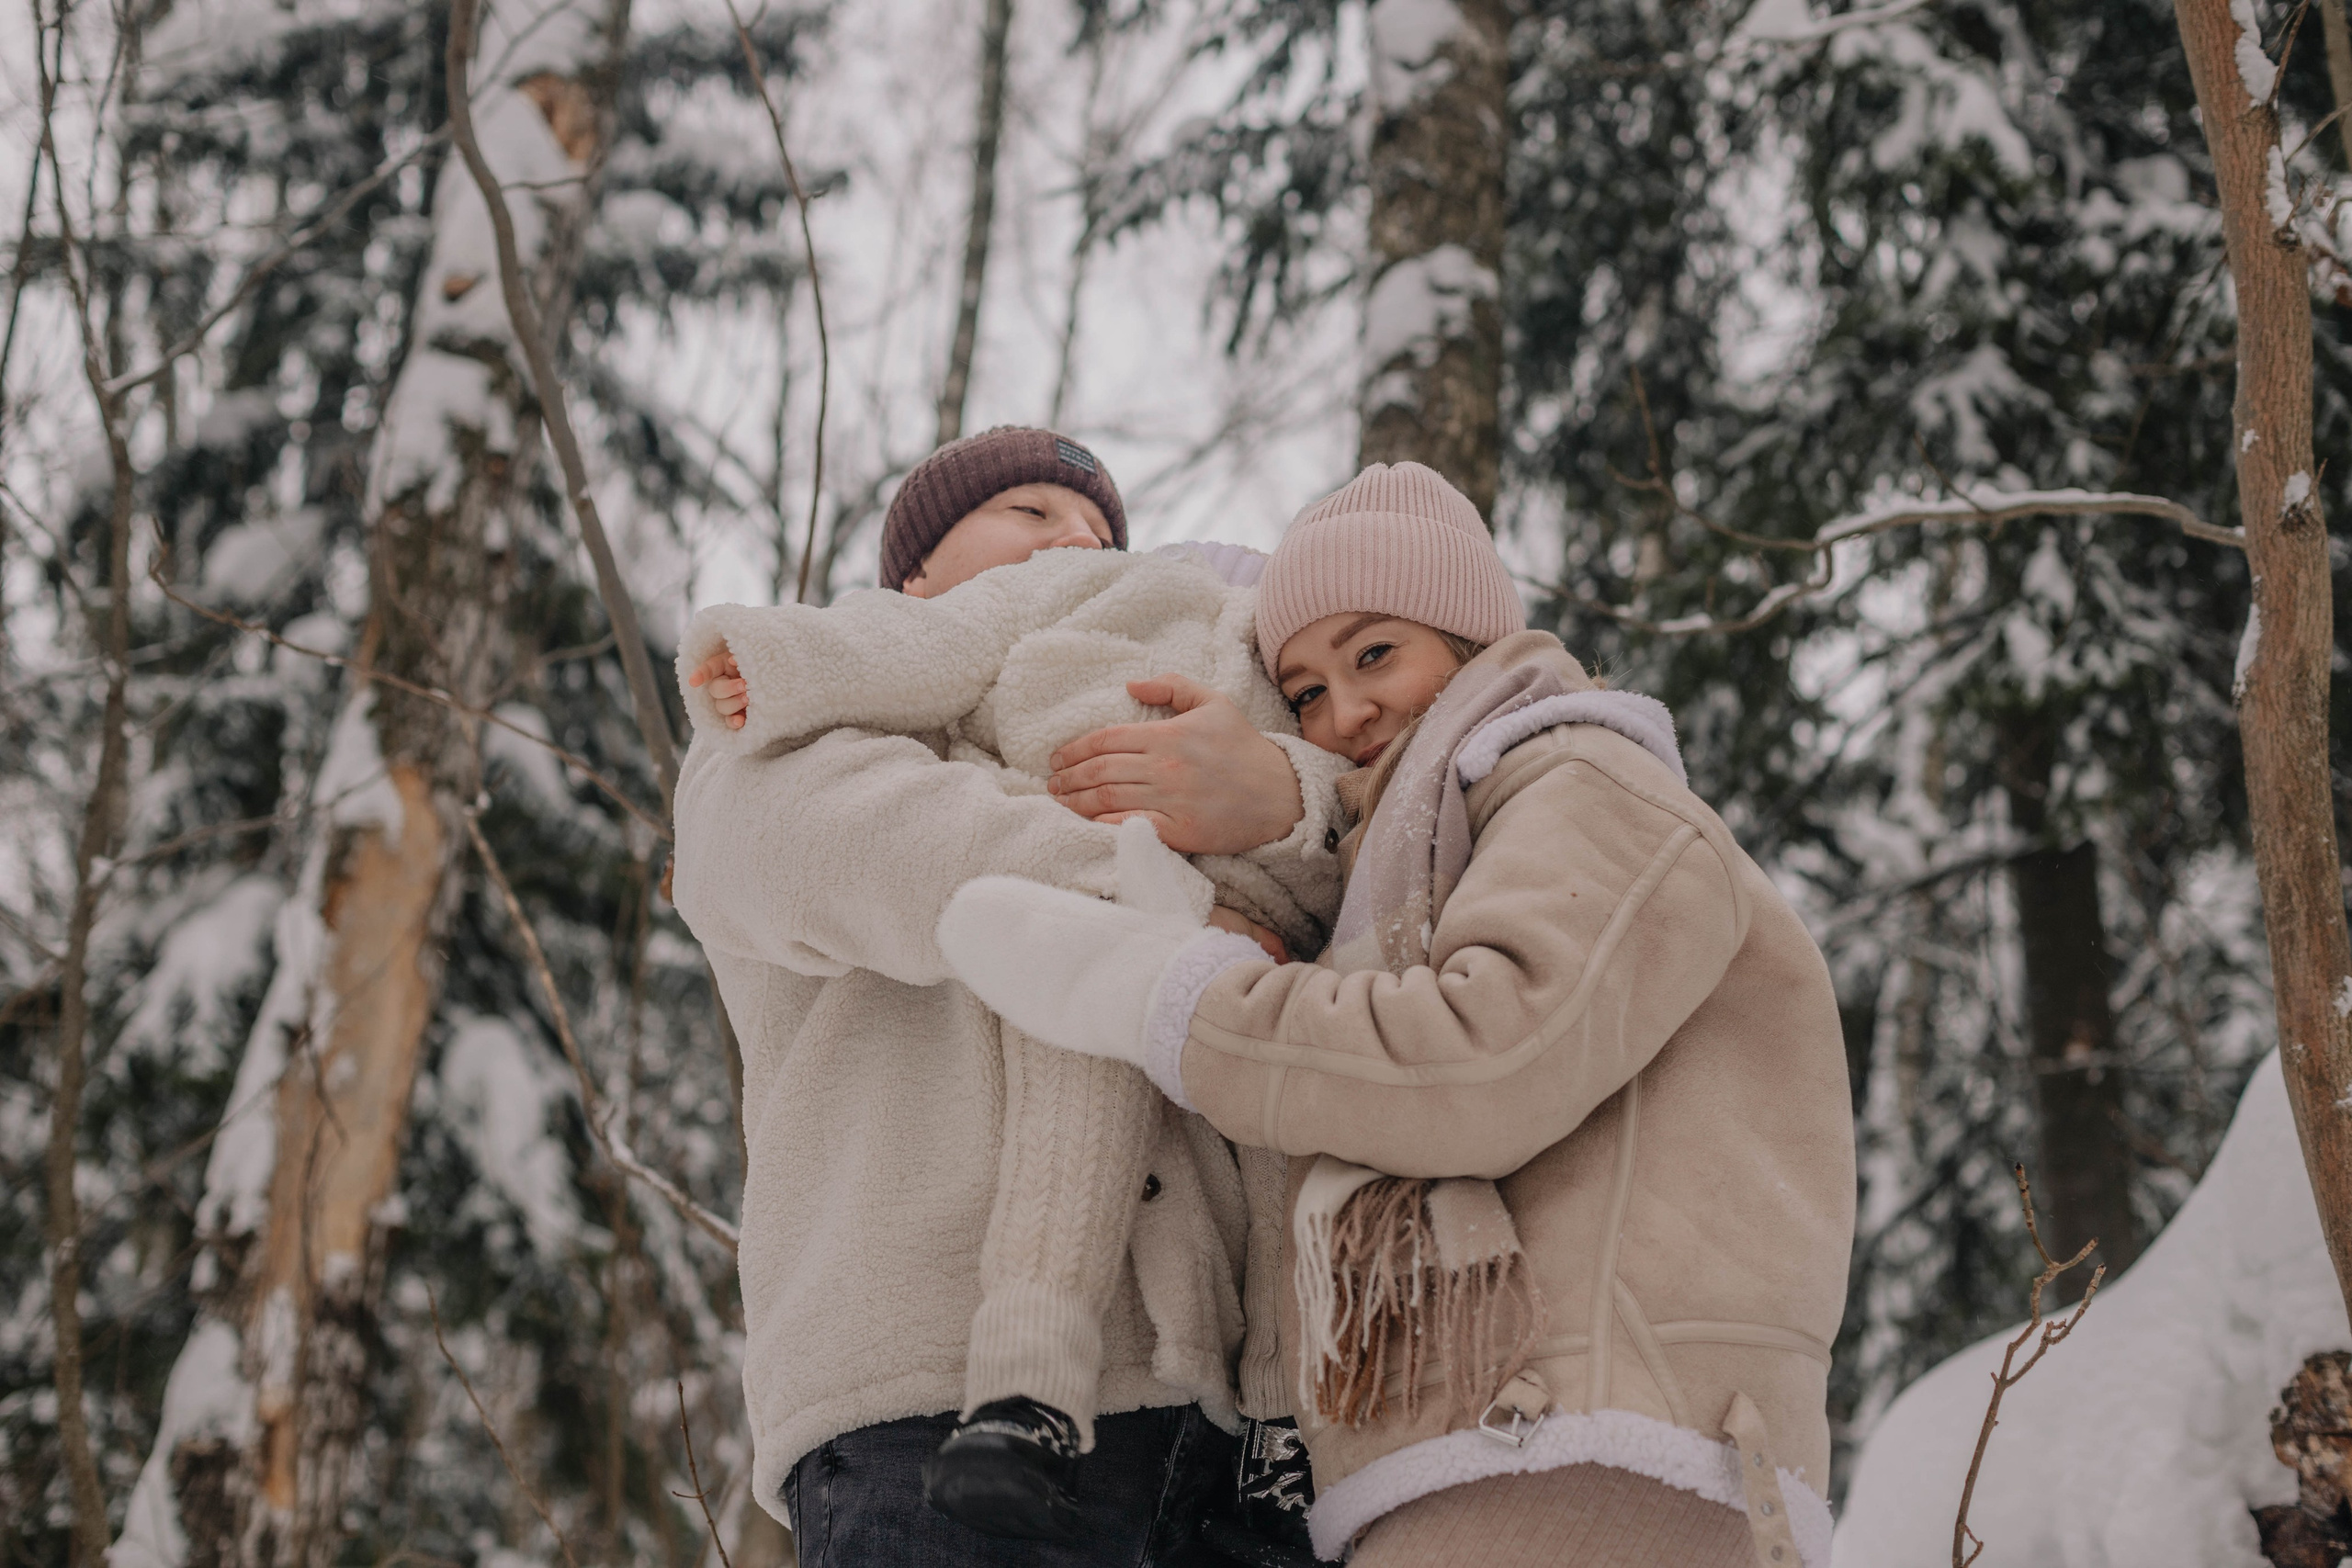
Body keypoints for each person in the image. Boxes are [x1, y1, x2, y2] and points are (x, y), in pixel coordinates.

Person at [938, 461, 1858, 1567]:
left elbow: (1479, 1065)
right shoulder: (1422, 855)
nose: (1347, 710)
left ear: (1468, 639)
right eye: (1307, 690)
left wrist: (1168, 997)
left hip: (1609, 1447)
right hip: (1496, 1453)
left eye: (1376, 652)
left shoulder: (1584, 781)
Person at [669, 426, 1340, 1567]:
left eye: (1098, 531)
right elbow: (872, 847)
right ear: (915, 577)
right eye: (1031, 514)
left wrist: (1284, 800)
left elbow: (1377, 878)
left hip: (1239, 1436)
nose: (1076, 541)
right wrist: (1162, 904)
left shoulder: (1165, 718)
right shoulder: (784, 733)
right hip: (924, 1402)